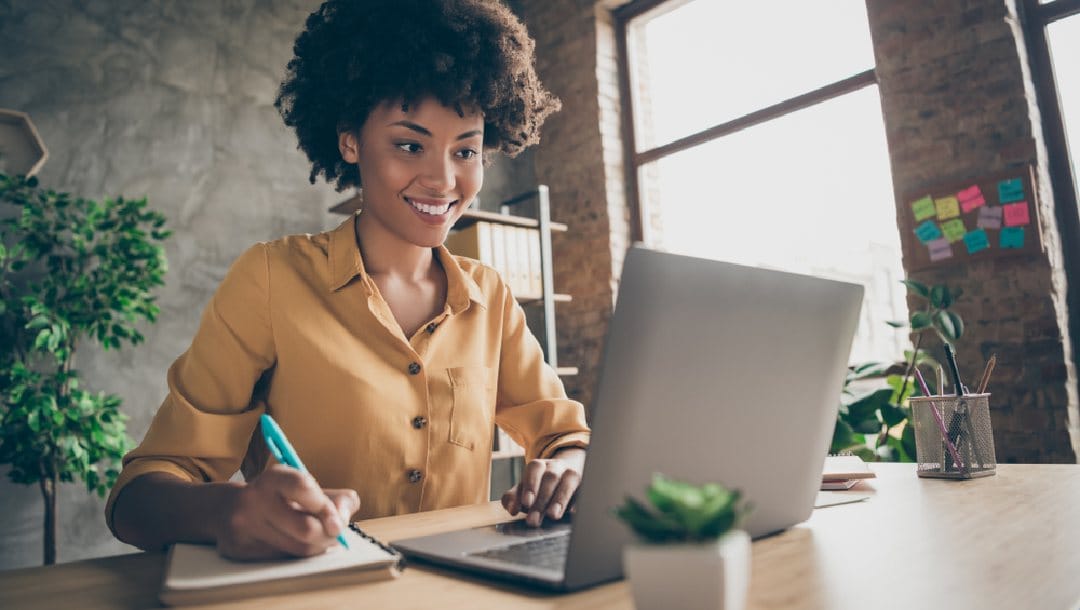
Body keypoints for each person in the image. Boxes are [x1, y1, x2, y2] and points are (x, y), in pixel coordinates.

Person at [107, 0, 590, 560]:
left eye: (466, 150)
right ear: (350, 142)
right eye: (410, 145)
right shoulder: (271, 280)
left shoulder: (491, 299)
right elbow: (136, 500)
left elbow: (564, 436)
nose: (442, 180)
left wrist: (566, 467)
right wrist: (230, 511)